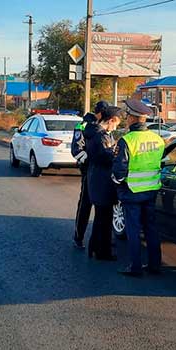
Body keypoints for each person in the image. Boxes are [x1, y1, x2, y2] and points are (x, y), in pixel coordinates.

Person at [112, 98, 165, 277]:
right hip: (151, 190)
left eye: (127, 116)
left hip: (132, 191)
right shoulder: (158, 139)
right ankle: (155, 265)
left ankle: (135, 266)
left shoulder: (127, 140)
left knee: (133, 230)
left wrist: (118, 184)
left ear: (133, 119)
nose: (126, 119)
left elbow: (119, 170)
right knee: (151, 229)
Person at [84, 105, 123, 261]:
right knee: (104, 218)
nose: (116, 127)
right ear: (111, 120)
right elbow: (105, 157)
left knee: (101, 217)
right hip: (102, 181)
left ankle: (95, 247)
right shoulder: (101, 136)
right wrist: (115, 152)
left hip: (97, 179)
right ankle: (102, 252)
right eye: (117, 123)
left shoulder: (96, 133)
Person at [71, 101, 109, 250]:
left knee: (104, 206)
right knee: (85, 205)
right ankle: (78, 237)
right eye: (104, 113)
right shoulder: (82, 126)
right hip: (89, 171)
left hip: (103, 171)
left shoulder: (103, 126)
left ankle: (103, 239)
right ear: (98, 112)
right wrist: (90, 160)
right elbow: (76, 149)